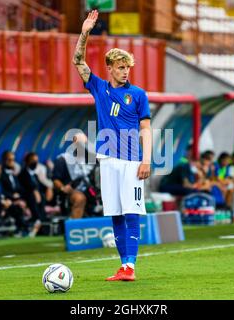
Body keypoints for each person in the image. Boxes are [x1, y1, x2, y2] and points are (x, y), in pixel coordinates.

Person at [72, 10, 152, 281]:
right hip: (108, 161)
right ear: (110, 68)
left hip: (132, 162)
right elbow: (78, 61)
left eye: (127, 67)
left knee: (132, 212)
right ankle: (124, 267)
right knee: (116, 214)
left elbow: (146, 129)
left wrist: (147, 160)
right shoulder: (99, 88)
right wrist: (84, 32)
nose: (125, 71)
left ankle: (130, 266)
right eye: (120, 67)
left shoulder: (138, 95)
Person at [53, 133, 96, 219]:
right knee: (79, 198)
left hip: (89, 190)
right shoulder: (63, 159)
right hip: (71, 192)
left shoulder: (90, 158)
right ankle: (74, 228)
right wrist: (63, 188)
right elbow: (55, 180)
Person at [18, 152, 48, 236]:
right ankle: (37, 219)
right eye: (33, 161)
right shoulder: (23, 174)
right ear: (27, 162)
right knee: (33, 196)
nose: (35, 163)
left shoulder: (34, 175)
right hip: (27, 197)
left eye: (36, 161)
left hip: (37, 197)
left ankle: (42, 222)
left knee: (41, 196)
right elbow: (26, 187)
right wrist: (34, 191)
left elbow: (40, 186)